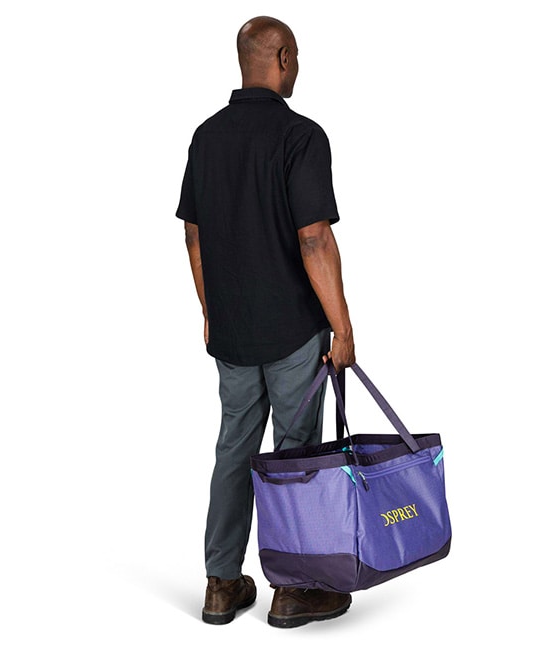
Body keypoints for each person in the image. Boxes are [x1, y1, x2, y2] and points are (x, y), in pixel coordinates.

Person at [175, 15, 355, 628]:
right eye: (295, 56)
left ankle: (221, 584)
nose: (297, 66)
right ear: (281, 58)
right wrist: (343, 328)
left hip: (232, 329)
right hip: (292, 330)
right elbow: (314, 239)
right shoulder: (301, 136)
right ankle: (294, 588)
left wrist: (210, 310)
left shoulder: (206, 137)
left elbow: (194, 235)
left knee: (234, 447)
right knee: (296, 455)